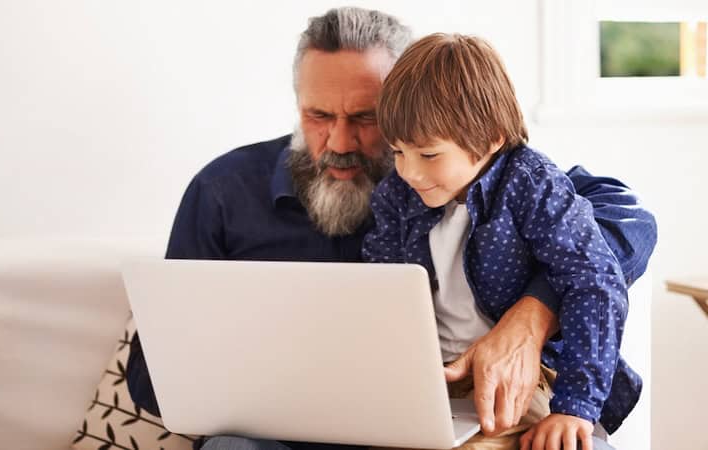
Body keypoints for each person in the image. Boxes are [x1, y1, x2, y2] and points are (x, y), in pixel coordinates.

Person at [126, 7, 657, 450]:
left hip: (448, 407)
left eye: (364, 118)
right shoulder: (223, 191)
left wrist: (533, 313)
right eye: (317, 114)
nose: (339, 140)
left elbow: (626, 226)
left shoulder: (495, 175)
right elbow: (155, 377)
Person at [363, 32, 650, 450]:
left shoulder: (529, 185)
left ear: (491, 137)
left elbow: (595, 281)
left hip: (522, 378)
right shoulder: (397, 196)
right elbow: (381, 288)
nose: (409, 172)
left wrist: (575, 407)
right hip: (430, 382)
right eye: (398, 152)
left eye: (428, 155)